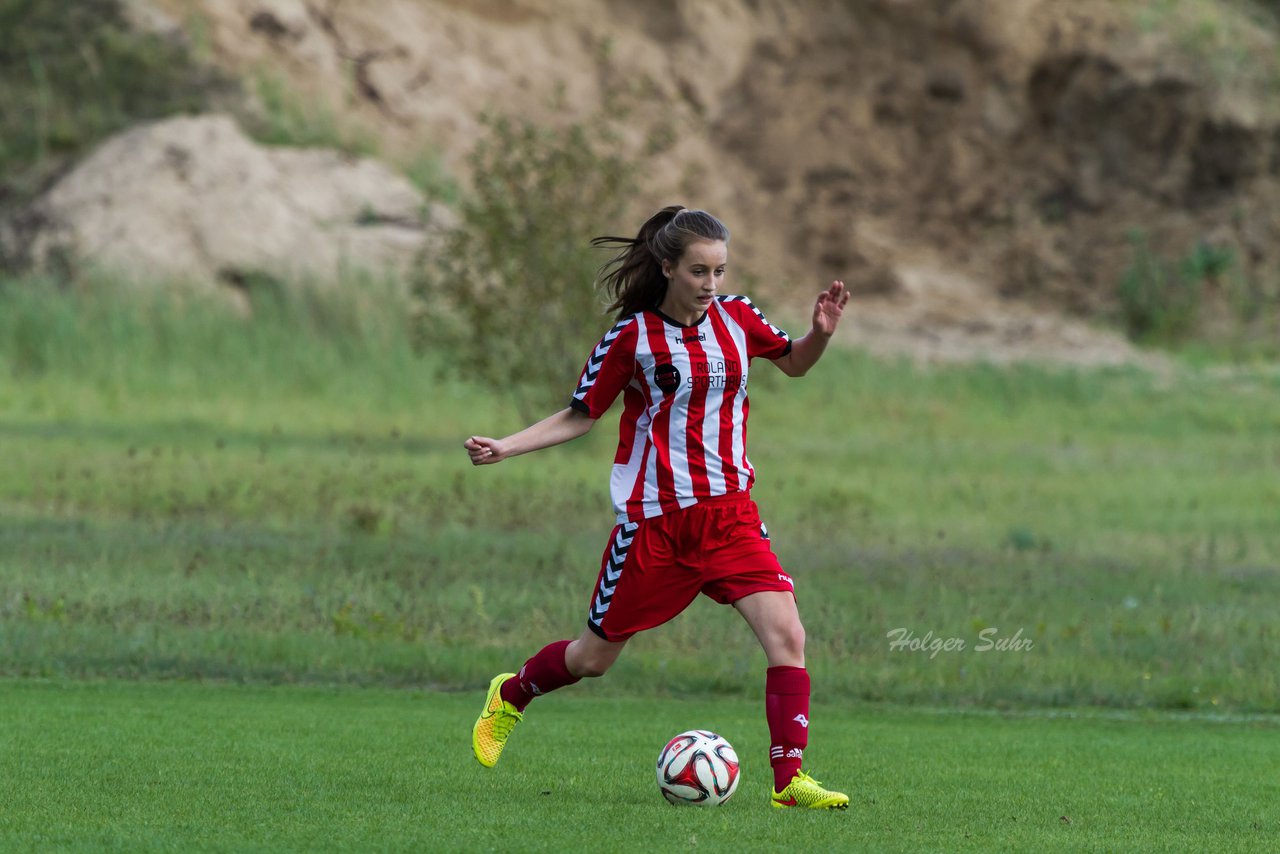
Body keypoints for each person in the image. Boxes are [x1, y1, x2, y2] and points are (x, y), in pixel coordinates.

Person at [465, 205, 851, 810]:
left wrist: (820, 335)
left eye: (719, 271)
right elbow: (579, 415)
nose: (711, 284)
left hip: (730, 516)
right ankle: (512, 694)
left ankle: (788, 783)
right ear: (668, 267)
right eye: (699, 271)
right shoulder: (631, 339)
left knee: (788, 636)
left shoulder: (739, 318)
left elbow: (794, 363)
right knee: (591, 659)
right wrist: (504, 447)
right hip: (656, 528)